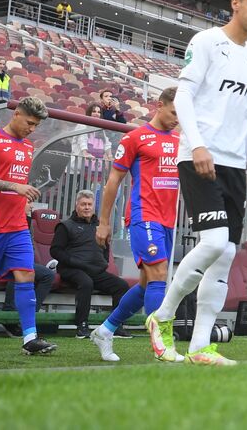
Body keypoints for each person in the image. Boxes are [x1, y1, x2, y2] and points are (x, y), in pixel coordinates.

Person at [145, 0, 247, 366]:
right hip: (200, 157)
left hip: (236, 164)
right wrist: (196, 144)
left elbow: (245, 115)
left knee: (226, 254)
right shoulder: (205, 42)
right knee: (214, 242)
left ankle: (201, 346)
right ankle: (162, 317)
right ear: (235, 4)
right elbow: (183, 94)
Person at [89, 88, 181, 362]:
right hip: (143, 215)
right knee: (160, 274)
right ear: (159, 105)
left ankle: (105, 330)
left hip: (167, 221)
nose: (178, 119)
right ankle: (162, 345)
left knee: (146, 283)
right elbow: (113, 182)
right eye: (175, 112)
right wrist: (104, 222)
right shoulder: (135, 138)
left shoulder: (179, 141)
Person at [0, 97, 57, 355]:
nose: (32, 129)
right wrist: (15, 187)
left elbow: (18, 183)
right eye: (29, 122)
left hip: (16, 226)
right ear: (16, 114)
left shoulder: (27, 146)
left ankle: (29, 337)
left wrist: (21, 201)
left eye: (36, 125)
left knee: (27, 274)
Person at [51, 190, 129, 338]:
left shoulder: (100, 226)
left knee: (121, 286)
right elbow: (55, 251)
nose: (86, 207)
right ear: (77, 206)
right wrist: (75, 262)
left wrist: (104, 263)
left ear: (94, 206)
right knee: (86, 283)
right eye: (83, 204)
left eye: (89, 204)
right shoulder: (65, 226)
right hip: (72, 270)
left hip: (96, 271)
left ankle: (115, 326)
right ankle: (82, 326)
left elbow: (106, 247)